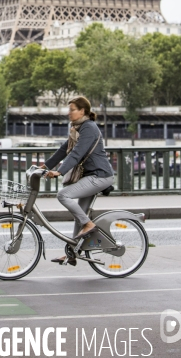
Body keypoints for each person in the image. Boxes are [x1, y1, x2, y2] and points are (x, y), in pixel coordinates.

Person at [43, 95, 114, 265]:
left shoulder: (88, 128)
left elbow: (77, 153)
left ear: (82, 111)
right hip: (91, 176)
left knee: (63, 195)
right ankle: (72, 253)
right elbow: (64, 150)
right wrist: (45, 167)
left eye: (72, 109)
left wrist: (59, 172)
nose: (69, 113)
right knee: (78, 215)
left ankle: (89, 225)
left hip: (100, 176)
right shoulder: (78, 128)